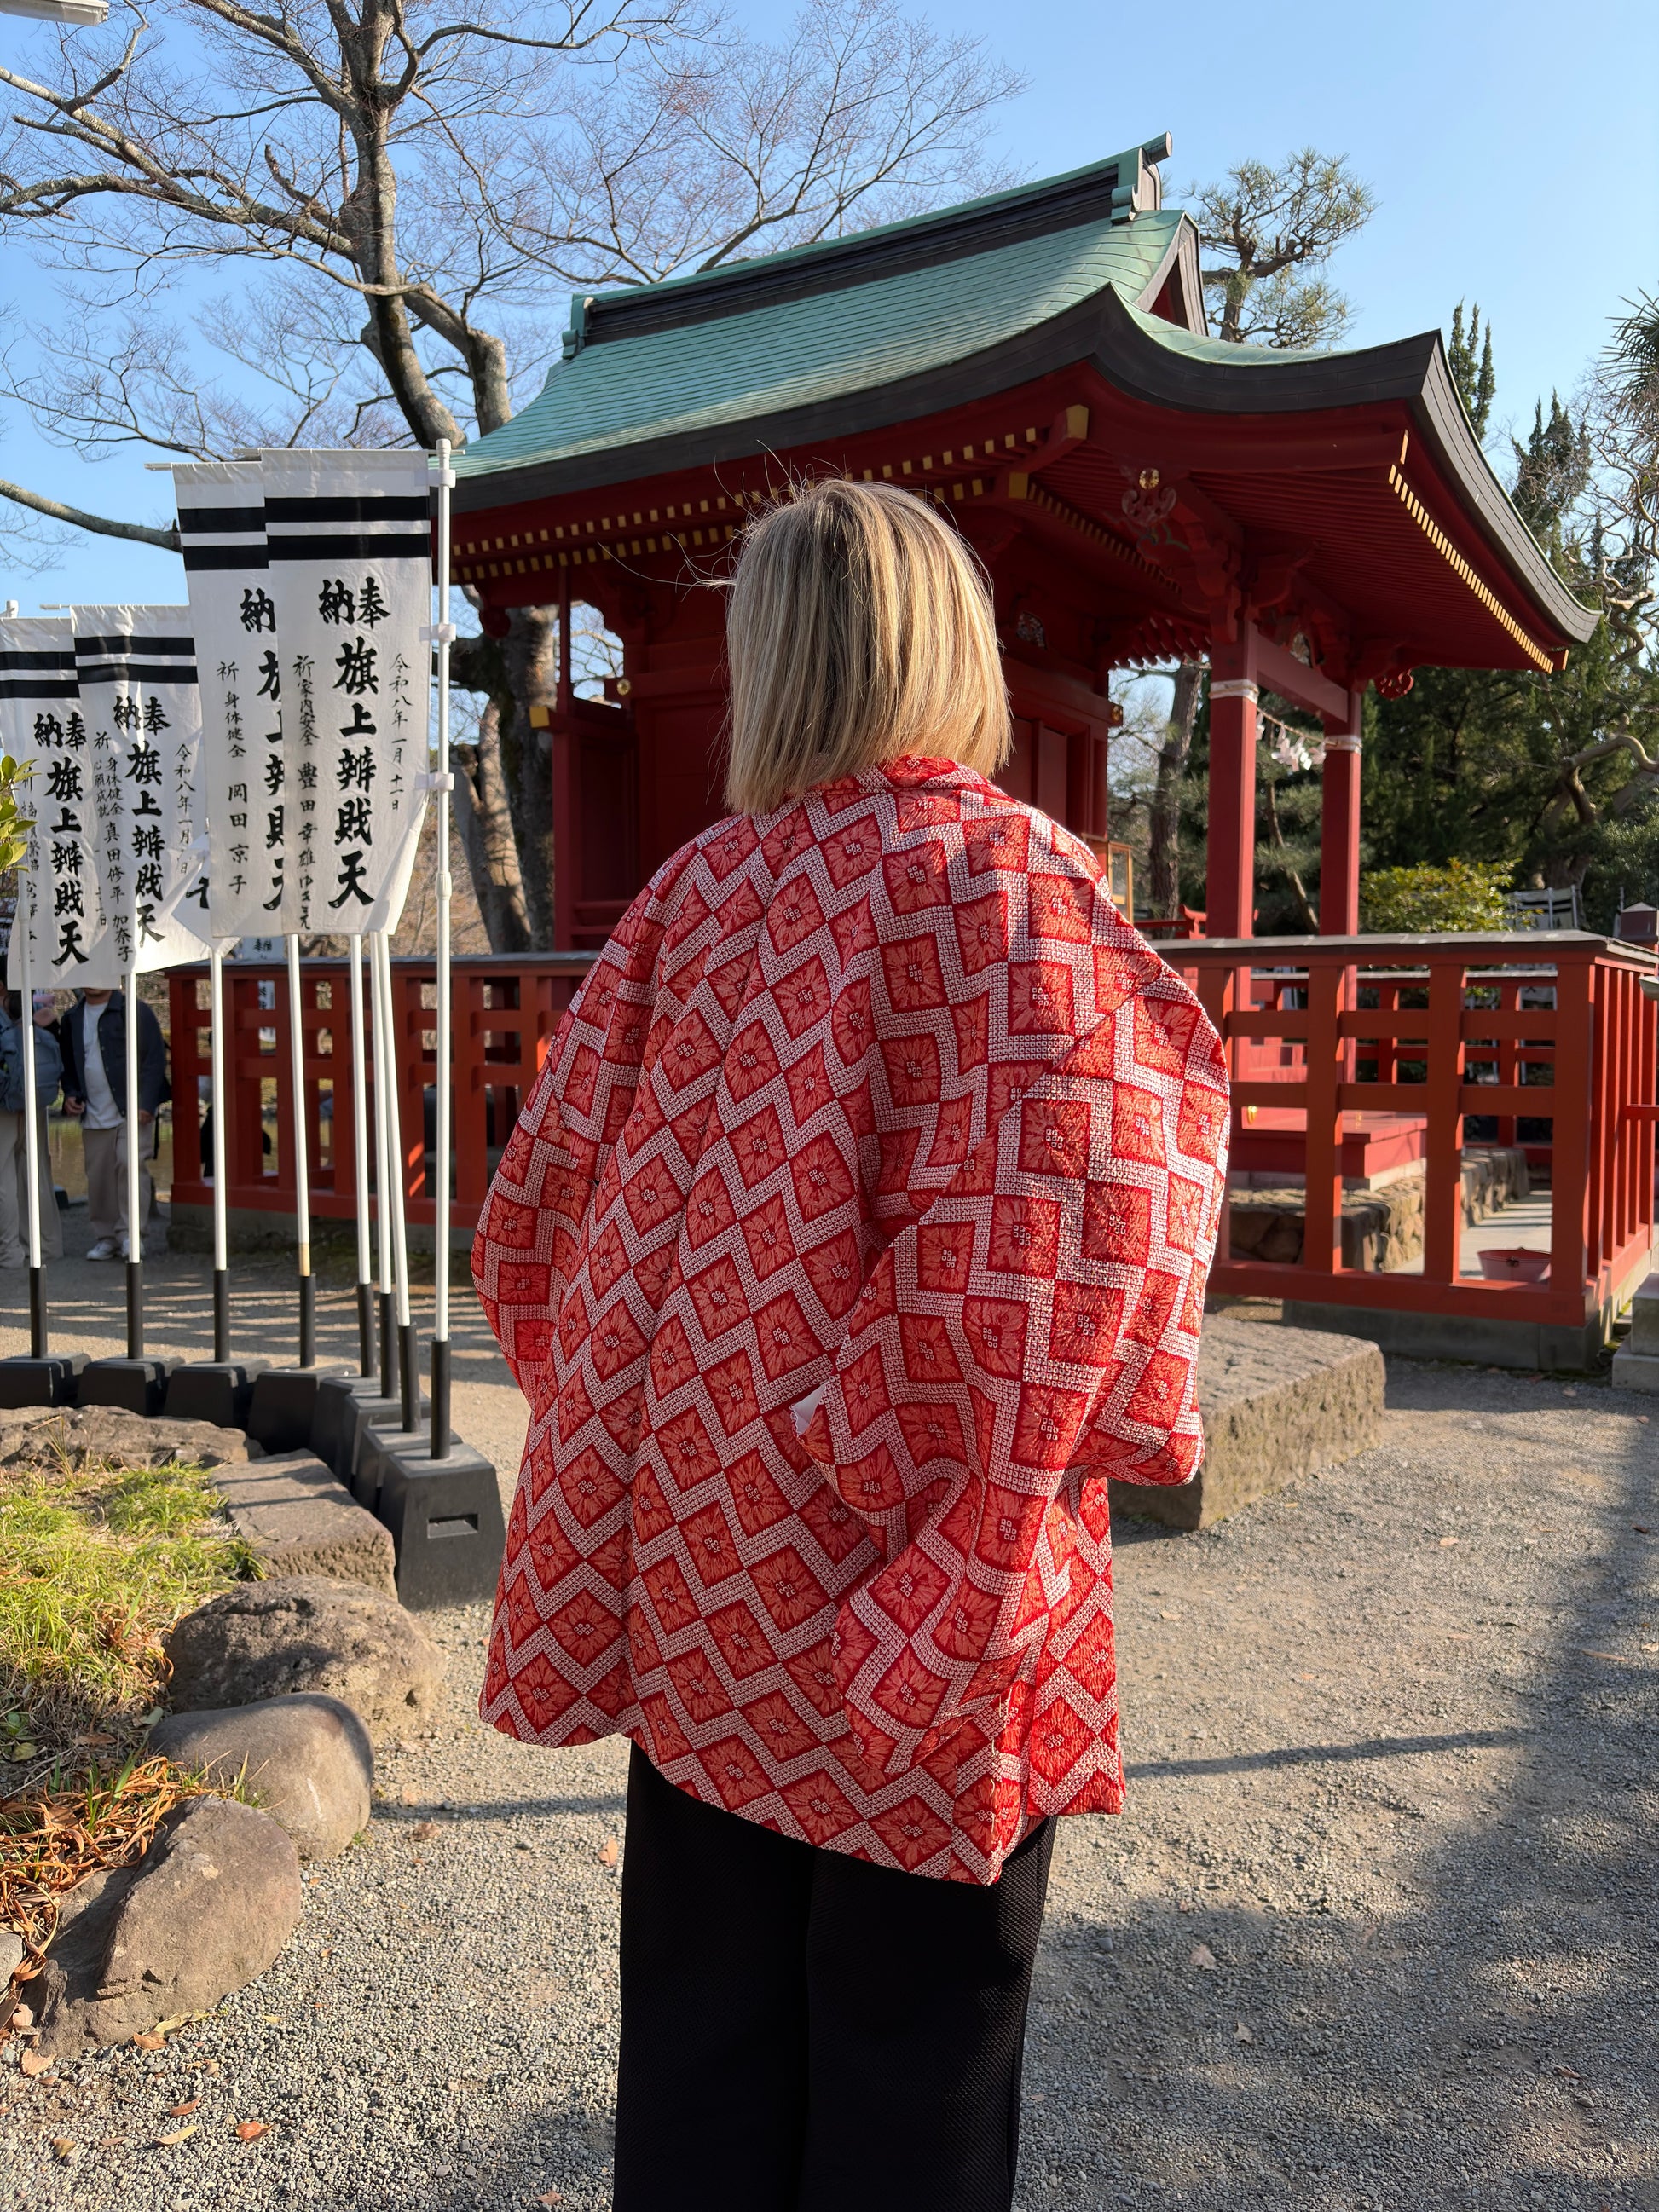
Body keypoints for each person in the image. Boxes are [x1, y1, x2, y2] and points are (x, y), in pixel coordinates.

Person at [471, 479, 1230, 2211]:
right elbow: (1092, 1207)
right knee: (912, 2051)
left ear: (769, 662)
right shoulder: (1007, 879)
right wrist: (929, 1468)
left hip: (698, 1555)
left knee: (702, 2029)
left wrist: (671, 1411)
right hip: (922, 1551)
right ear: (951, 647)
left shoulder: (689, 894)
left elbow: (543, 1217)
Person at [60, 985, 169, 1261]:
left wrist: (147, 1102)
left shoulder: (134, 1010)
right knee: (99, 1178)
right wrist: (71, 1094)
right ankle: (106, 1237)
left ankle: (132, 1234)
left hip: (131, 1108)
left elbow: (154, 1059)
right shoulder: (72, 1017)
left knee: (130, 1164)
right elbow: (68, 1065)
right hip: (93, 1110)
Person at [0, 990, 63, 1266]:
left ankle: (9, 1251)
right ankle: (47, 1245)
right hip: (35, 1100)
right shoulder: (32, 1007)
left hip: (5, 1105)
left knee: (4, 1178)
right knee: (37, 1173)